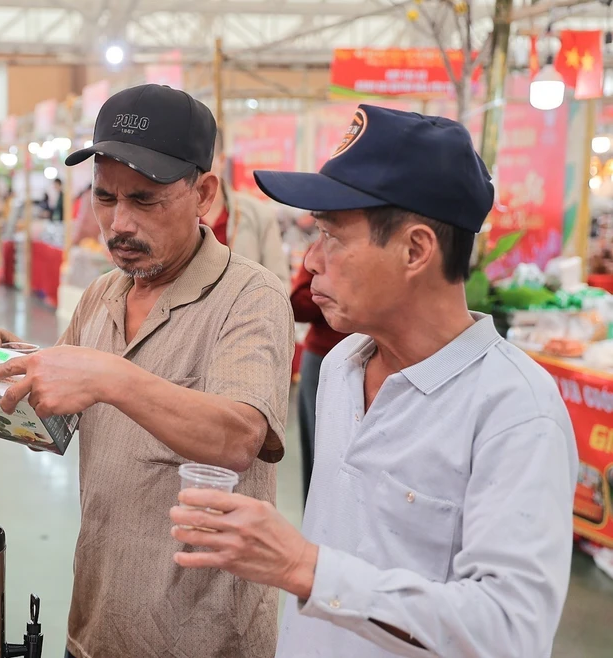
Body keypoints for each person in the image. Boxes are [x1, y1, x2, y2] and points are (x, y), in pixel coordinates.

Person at [168, 105, 579, 657]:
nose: (311, 259)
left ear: (415, 250)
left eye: (332, 235)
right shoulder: (342, 367)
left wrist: (302, 567)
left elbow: (510, 631)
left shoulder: (514, 411)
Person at [0, 84, 293, 658]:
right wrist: (13, 377)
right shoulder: (103, 294)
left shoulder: (250, 296)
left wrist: (110, 377)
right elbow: (54, 432)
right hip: (99, 620)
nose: (119, 223)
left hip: (203, 636)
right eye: (105, 199)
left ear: (204, 193)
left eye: (146, 199)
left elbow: (238, 437)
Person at [290, 243, 348, 501]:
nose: (313, 259)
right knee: (318, 456)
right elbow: (298, 303)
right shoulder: (321, 249)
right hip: (322, 353)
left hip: (373, 351)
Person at [202, 127, 290, 288]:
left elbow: (279, 282)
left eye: (204, 158)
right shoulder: (174, 216)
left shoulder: (259, 215)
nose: (197, 168)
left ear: (221, 161)